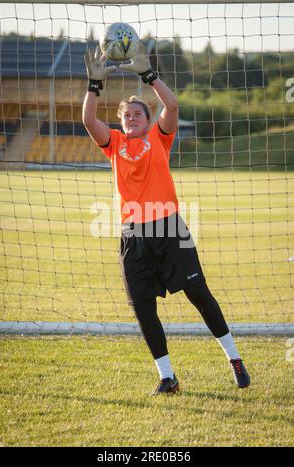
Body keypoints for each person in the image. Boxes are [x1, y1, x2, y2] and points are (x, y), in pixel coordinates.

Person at [82, 44, 250, 395]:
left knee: (198, 293)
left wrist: (149, 76)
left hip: (170, 227)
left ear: (148, 119)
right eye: (126, 116)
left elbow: (172, 105)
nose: (131, 120)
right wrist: (94, 84)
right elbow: (88, 120)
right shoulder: (113, 143)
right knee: (143, 307)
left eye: (137, 115)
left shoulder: (160, 138)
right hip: (133, 235)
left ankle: (234, 358)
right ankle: (167, 377)